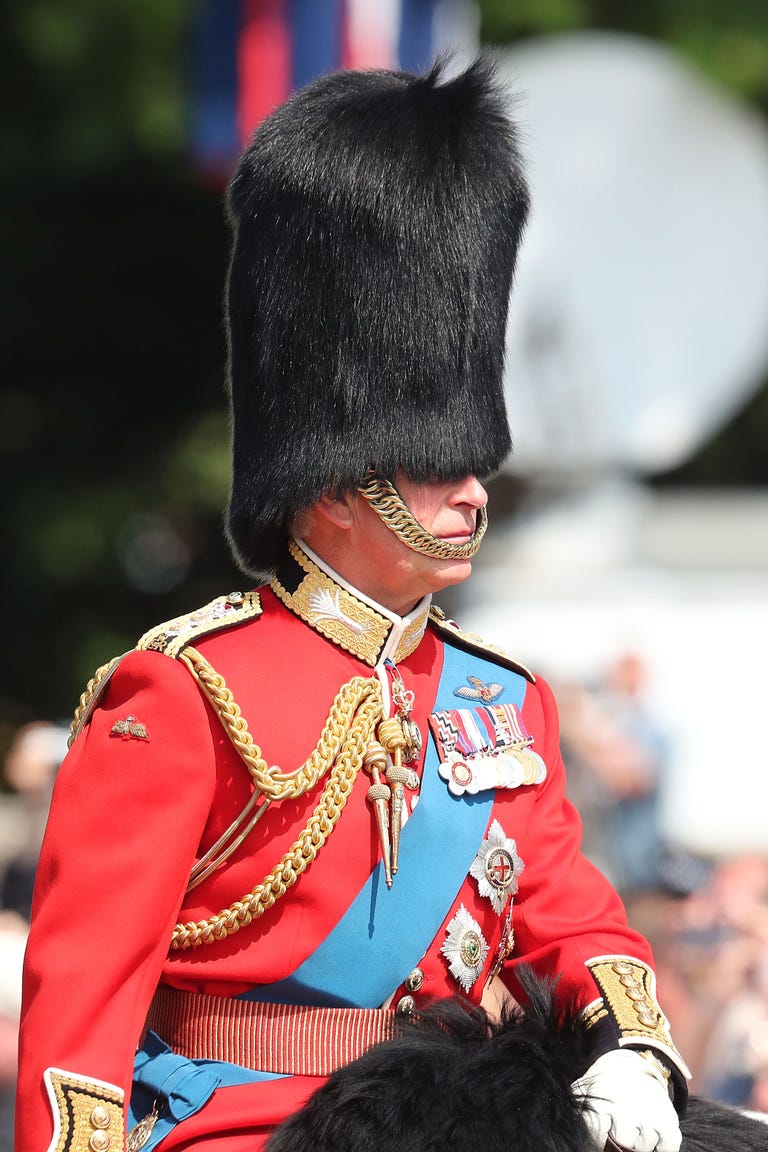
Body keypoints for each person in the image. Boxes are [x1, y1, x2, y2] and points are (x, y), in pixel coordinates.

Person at [16, 60, 689, 1152]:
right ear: (332, 489)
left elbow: (568, 912)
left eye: (473, 462)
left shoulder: (499, 701)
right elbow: (87, 994)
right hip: (244, 1125)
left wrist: (632, 1047)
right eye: (436, 466)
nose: (473, 490)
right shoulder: (185, 690)